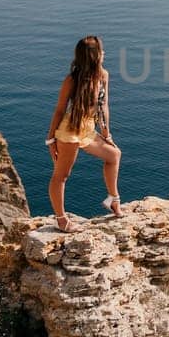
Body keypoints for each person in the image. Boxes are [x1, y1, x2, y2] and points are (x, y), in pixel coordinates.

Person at [45, 35, 122, 229]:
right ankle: (61, 220)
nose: (104, 53)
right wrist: (50, 139)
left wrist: (107, 135)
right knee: (62, 175)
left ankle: (113, 200)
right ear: (94, 56)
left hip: (88, 128)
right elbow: (60, 110)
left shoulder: (103, 75)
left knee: (114, 155)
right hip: (69, 130)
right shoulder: (71, 80)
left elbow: (103, 106)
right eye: (101, 51)